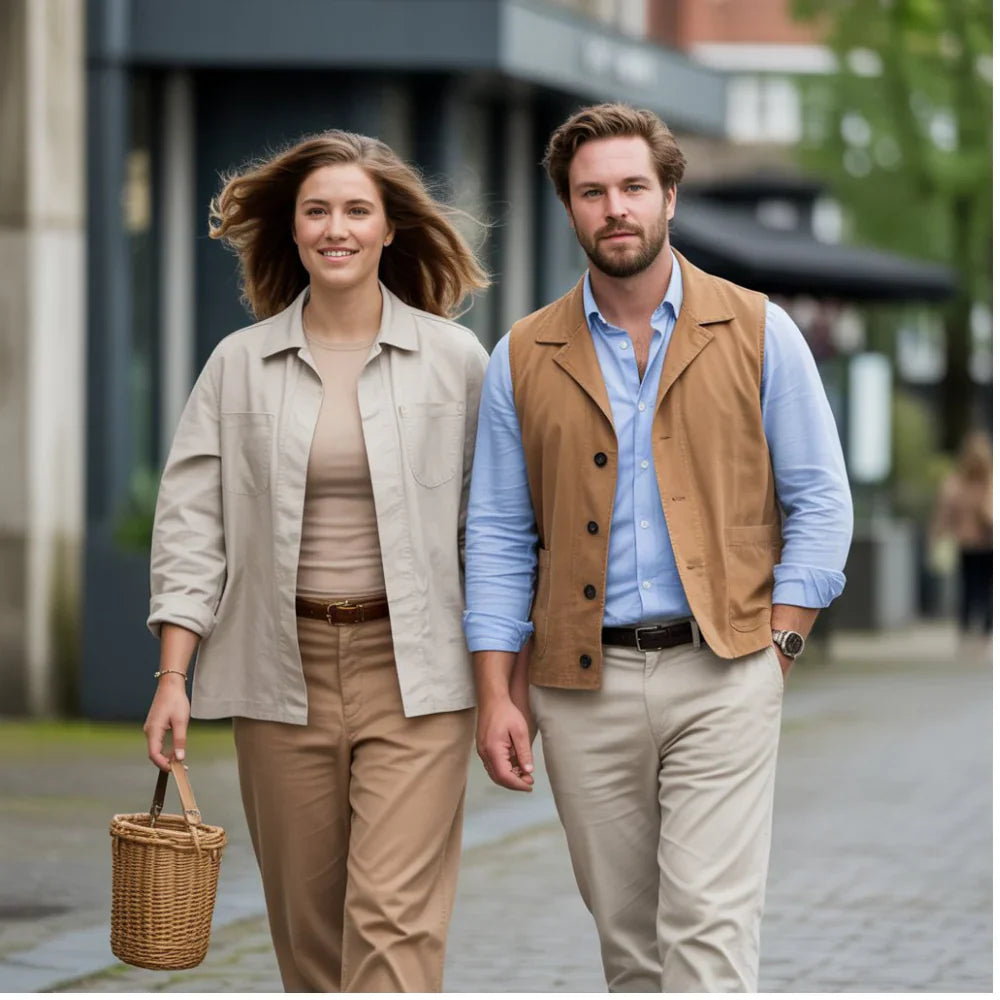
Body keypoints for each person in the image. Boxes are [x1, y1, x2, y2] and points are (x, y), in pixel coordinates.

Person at [465, 103, 853, 992]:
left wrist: (779, 646)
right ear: (570, 207)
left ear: (669, 196)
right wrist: (497, 694)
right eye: (592, 191)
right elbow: (495, 534)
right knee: (631, 951)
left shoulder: (759, 330)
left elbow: (822, 503)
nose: (616, 208)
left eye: (634, 187)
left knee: (707, 935)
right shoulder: (521, 355)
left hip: (723, 672)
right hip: (580, 689)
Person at [142, 130, 490, 993]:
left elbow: (496, 532)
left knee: (392, 923)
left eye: (356, 210)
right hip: (278, 672)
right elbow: (191, 526)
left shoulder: (456, 364)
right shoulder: (238, 367)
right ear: (294, 231)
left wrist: (504, 679)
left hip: (418, 673)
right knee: (308, 938)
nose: (337, 227)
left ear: (389, 229)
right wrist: (173, 676)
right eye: (318, 211)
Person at [931, 430, 993, 636]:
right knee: (975, 586)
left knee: (977, 586)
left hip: (983, 541)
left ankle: (979, 628)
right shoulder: (960, 481)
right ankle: (974, 628)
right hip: (970, 542)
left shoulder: (986, 481)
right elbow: (946, 509)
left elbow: (945, 509)